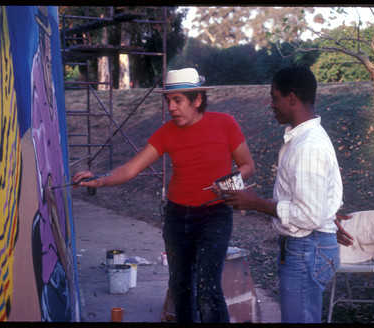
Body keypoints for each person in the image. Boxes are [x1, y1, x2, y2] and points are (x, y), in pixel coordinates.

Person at [73, 68, 255, 323]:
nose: (171, 107)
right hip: (177, 217)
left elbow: (248, 166)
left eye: (177, 100)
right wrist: (98, 180)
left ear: (197, 100)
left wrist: (229, 182)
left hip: (214, 215)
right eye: (168, 100)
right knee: (181, 289)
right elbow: (131, 168)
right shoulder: (166, 132)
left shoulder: (225, 123)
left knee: (207, 290)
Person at [221, 66, 343, 323]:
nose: (271, 105)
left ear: (291, 99)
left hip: (307, 247)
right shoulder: (305, 139)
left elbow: (309, 215)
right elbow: (315, 204)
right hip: (308, 246)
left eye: (274, 97)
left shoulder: (308, 146)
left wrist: (257, 204)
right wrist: (329, 217)